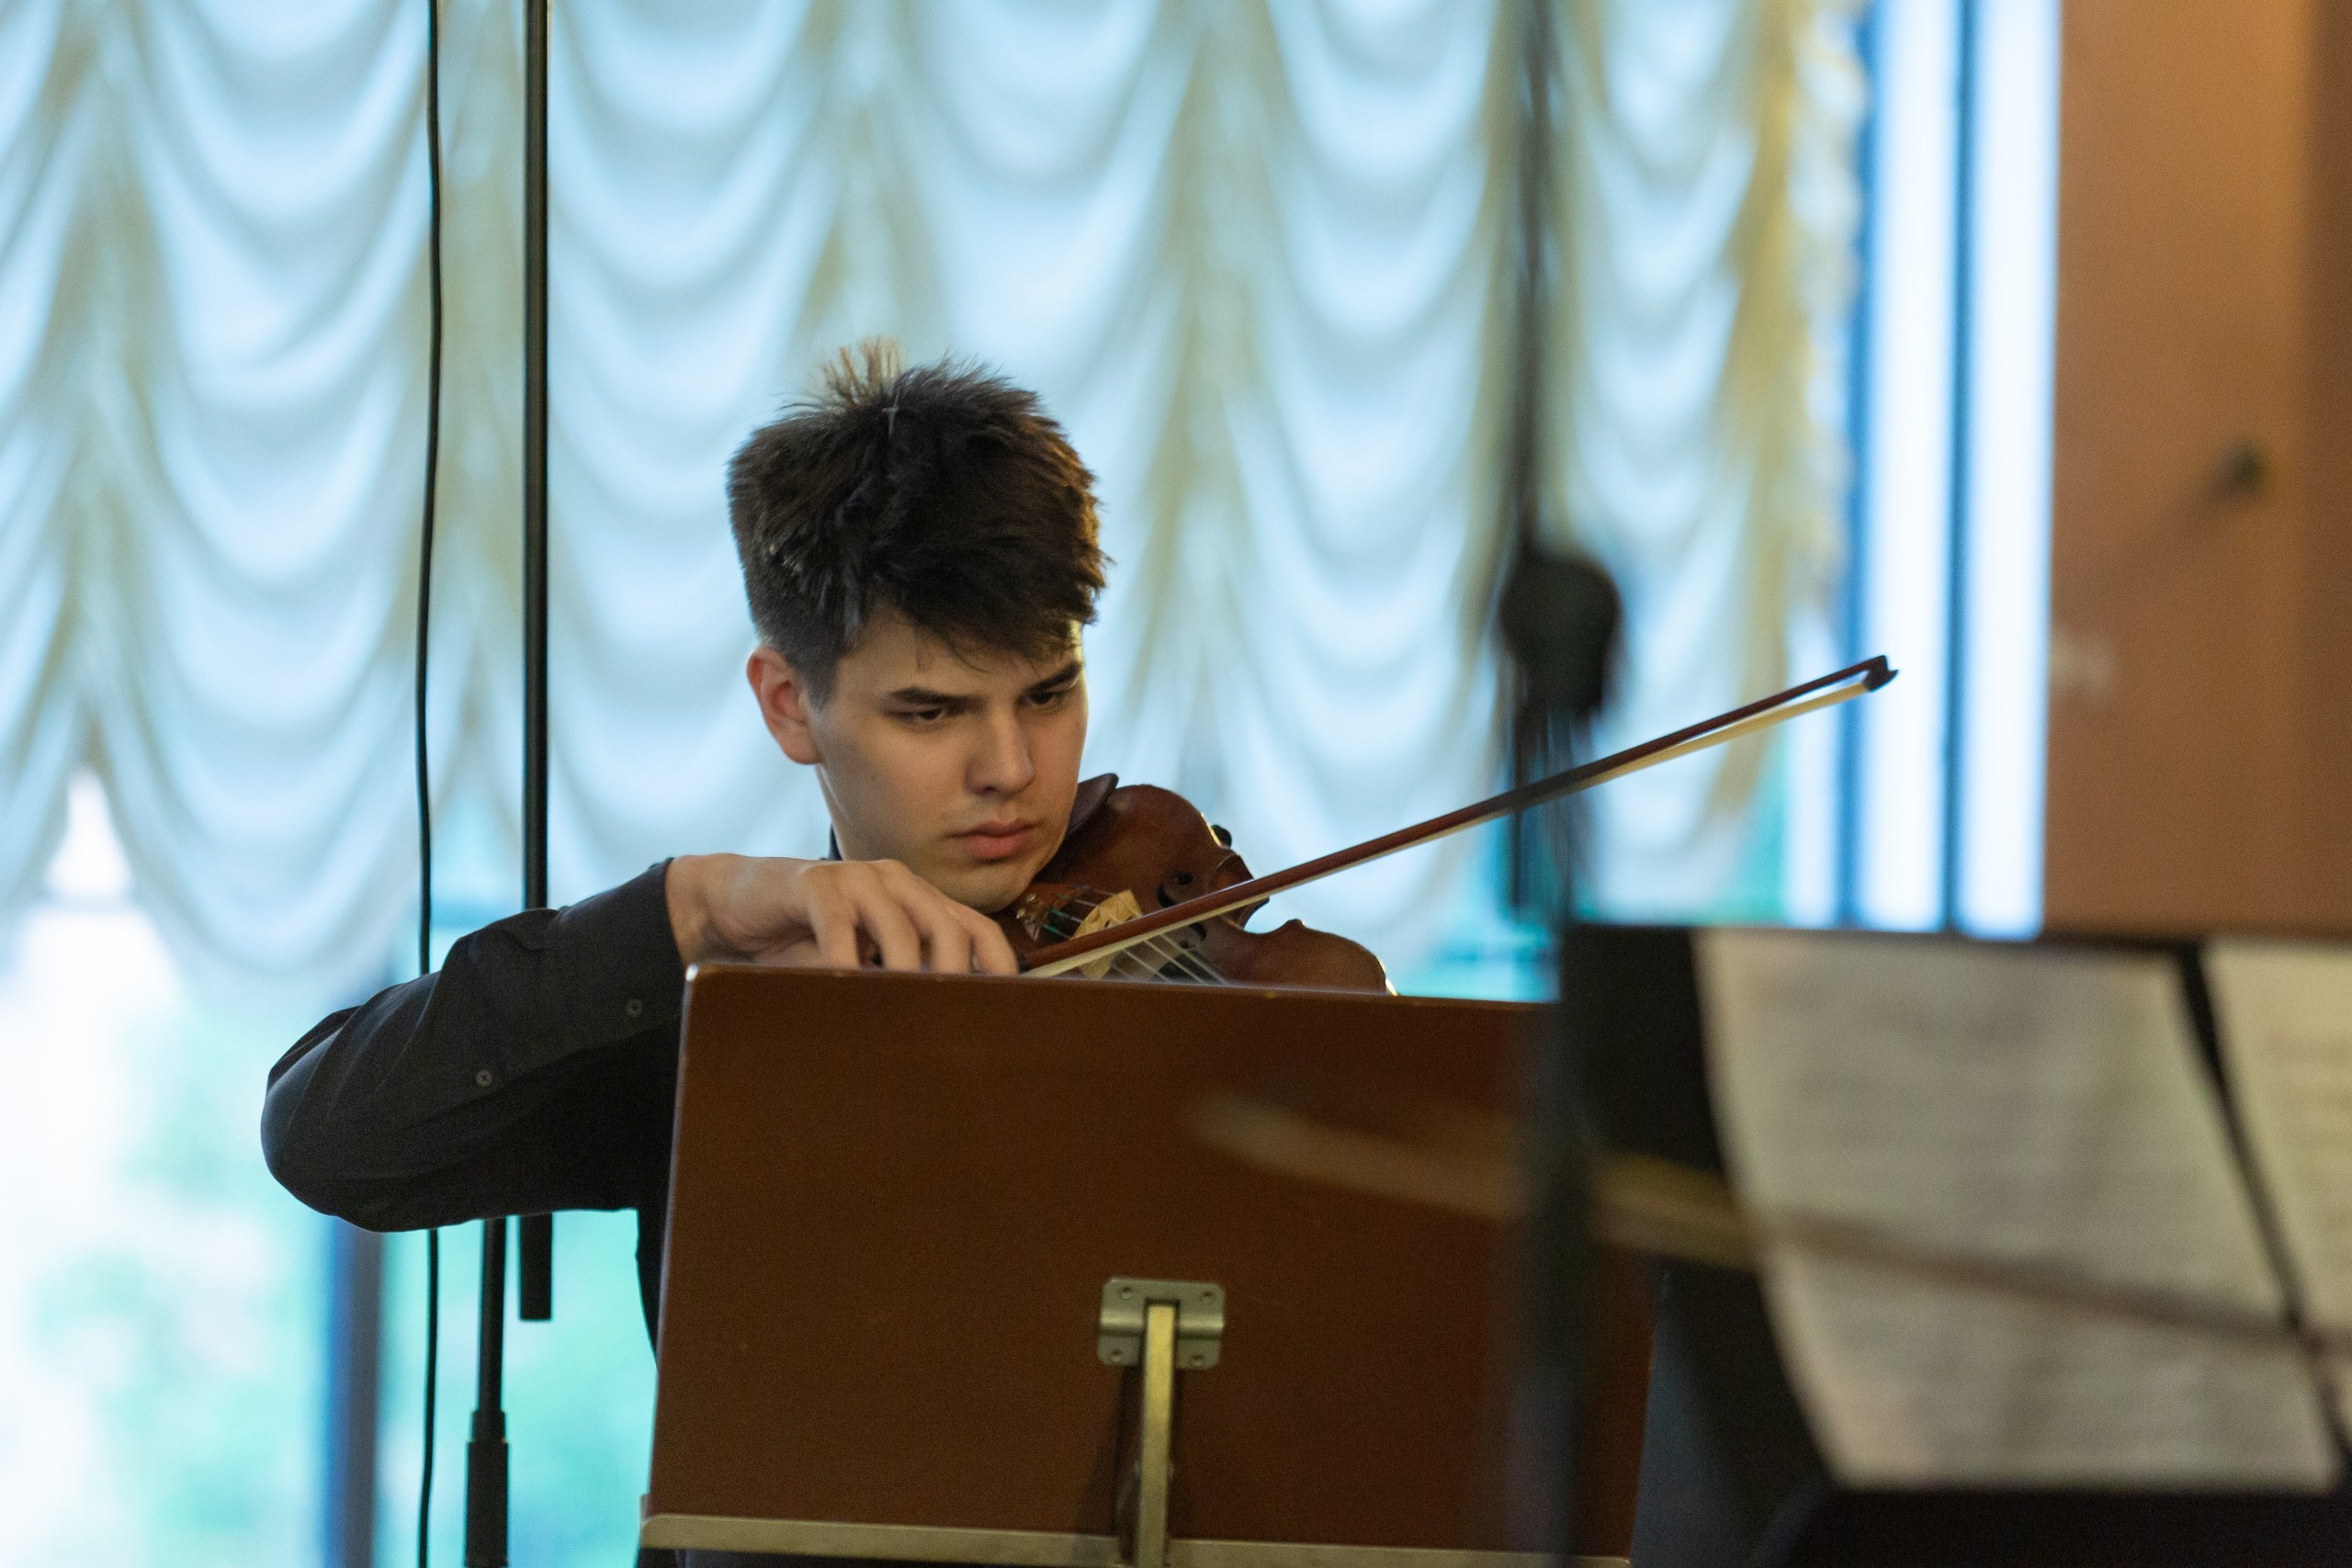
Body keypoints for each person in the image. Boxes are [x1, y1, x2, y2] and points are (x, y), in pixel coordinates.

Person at [262, 348, 1117, 1551]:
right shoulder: (725, 1009)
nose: (1012, 771)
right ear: (788, 705)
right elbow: (327, 1137)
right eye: (931, 712)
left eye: (1049, 693)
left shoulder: (1178, 968)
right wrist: (689, 911)